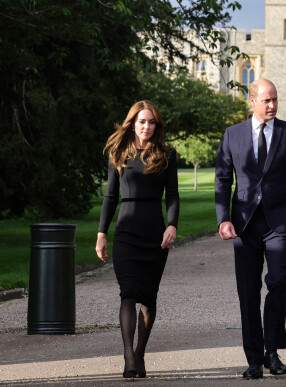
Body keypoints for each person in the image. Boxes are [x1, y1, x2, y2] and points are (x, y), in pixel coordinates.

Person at [215, 79, 286, 380]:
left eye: (275, 100)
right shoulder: (233, 134)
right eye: (266, 100)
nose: (272, 105)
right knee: (248, 292)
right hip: (244, 224)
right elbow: (222, 180)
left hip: (281, 221)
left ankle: (273, 350)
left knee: (278, 281)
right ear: (252, 101)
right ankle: (254, 358)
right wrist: (223, 218)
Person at [95, 100, 179, 379]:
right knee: (128, 292)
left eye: (151, 122)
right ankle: (129, 357)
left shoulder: (166, 154)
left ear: (157, 125)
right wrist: (101, 233)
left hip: (154, 233)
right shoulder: (118, 153)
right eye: (142, 121)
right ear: (132, 123)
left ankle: (140, 352)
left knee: (148, 298)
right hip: (127, 234)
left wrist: (172, 225)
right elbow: (110, 197)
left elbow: (173, 195)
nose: (146, 126)